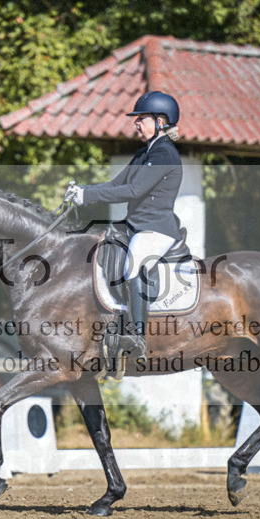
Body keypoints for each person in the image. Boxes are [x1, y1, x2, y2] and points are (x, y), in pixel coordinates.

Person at [65, 91, 184, 363]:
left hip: (156, 229)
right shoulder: (146, 152)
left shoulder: (165, 153)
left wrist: (87, 197)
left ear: (161, 120)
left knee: (135, 262)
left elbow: (133, 190)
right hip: (136, 225)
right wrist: (82, 192)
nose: (137, 124)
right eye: (137, 119)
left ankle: (137, 336)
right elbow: (115, 184)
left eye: (142, 119)